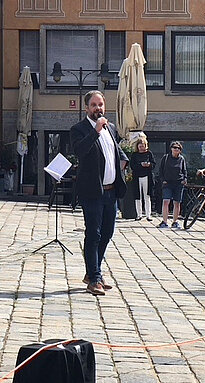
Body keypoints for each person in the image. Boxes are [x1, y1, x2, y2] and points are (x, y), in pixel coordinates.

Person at [70, 90, 128, 296]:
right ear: (87, 108)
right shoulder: (79, 129)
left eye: (101, 105)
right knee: (93, 234)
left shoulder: (110, 128)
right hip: (92, 191)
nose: (98, 109)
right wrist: (95, 131)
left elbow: (115, 149)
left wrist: (124, 158)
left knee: (107, 233)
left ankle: (92, 272)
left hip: (111, 191)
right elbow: (80, 151)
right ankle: (94, 278)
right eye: (94, 105)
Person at [158, 141, 187, 229]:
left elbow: (184, 170)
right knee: (166, 201)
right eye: (174, 148)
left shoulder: (181, 159)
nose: (176, 149)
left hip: (178, 183)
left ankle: (175, 221)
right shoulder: (166, 158)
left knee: (177, 202)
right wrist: (163, 180)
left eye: (178, 148)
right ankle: (164, 221)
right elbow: (161, 170)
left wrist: (185, 179)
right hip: (168, 183)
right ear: (171, 148)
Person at [130, 137, 155, 221]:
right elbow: (132, 166)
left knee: (147, 196)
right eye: (140, 146)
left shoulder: (149, 154)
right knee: (138, 196)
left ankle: (148, 215)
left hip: (147, 176)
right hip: (137, 177)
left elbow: (153, 164)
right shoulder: (134, 155)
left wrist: (149, 165)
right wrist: (141, 165)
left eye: (143, 146)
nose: (141, 148)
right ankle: (139, 214)